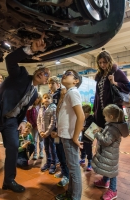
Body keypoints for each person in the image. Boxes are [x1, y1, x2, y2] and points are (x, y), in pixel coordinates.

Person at [0, 33, 49, 196]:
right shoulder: (20, 74)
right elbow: (10, 60)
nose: (42, 73)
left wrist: (21, 121)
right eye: (41, 70)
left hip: (10, 121)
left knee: (14, 147)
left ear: (45, 82)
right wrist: (30, 49)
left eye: (46, 74)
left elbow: (21, 110)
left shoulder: (35, 95)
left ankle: (9, 180)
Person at [55, 69, 85, 200]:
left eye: (69, 73)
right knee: (72, 168)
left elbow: (81, 116)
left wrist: (74, 136)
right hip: (65, 135)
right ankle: (70, 194)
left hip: (69, 136)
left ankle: (75, 197)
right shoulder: (68, 93)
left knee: (74, 170)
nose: (65, 74)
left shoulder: (73, 92)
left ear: (76, 81)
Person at [92, 104, 129, 200]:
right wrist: (101, 130)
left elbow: (106, 141)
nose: (104, 118)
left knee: (112, 172)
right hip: (109, 154)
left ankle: (113, 190)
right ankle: (104, 181)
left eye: (105, 116)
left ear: (111, 117)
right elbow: (108, 135)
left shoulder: (113, 129)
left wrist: (97, 134)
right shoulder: (112, 125)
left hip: (110, 154)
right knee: (107, 168)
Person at [93, 51, 130, 129]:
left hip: (112, 108)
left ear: (109, 61)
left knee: (113, 133)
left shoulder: (116, 72)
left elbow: (128, 87)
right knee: (101, 132)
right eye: (100, 63)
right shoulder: (100, 75)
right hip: (100, 109)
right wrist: (95, 109)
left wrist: (114, 82)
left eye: (104, 62)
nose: (102, 65)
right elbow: (97, 94)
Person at [48, 76, 69, 187]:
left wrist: (58, 129)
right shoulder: (51, 95)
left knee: (63, 151)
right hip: (55, 129)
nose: (51, 85)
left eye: (53, 83)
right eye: (49, 83)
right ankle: (63, 170)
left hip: (61, 130)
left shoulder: (62, 93)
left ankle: (67, 175)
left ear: (58, 84)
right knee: (58, 150)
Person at [37, 93, 58, 174]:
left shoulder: (53, 108)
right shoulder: (41, 109)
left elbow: (53, 122)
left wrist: (47, 132)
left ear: (51, 100)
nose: (46, 99)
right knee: (46, 148)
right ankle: (48, 162)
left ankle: (53, 163)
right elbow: (38, 120)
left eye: (48, 98)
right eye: (45, 98)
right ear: (42, 99)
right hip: (43, 133)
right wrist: (41, 131)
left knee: (52, 148)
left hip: (50, 133)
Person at [26, 93, 44, 160]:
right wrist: (34, 125)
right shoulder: (30, 106)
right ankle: (35, 153)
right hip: (34, 127)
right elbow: (29, 117)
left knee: (41, 139)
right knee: (34, 140)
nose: (36, 99)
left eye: (38, 98)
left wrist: (41, 125)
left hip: (41, 127)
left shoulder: (42, 106)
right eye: (35, 98)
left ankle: (41, 152)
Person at [79, 104, 94, 171]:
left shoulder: (91, 119)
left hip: (88, 138)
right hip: (83, 137)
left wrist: (84, 128)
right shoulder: (83, 119)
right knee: (82, 149)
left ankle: (90, 163)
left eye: (84, 113)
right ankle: (82, 159)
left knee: (89, 151)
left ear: (88, 113)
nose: (83, 115)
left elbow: (92, 128)